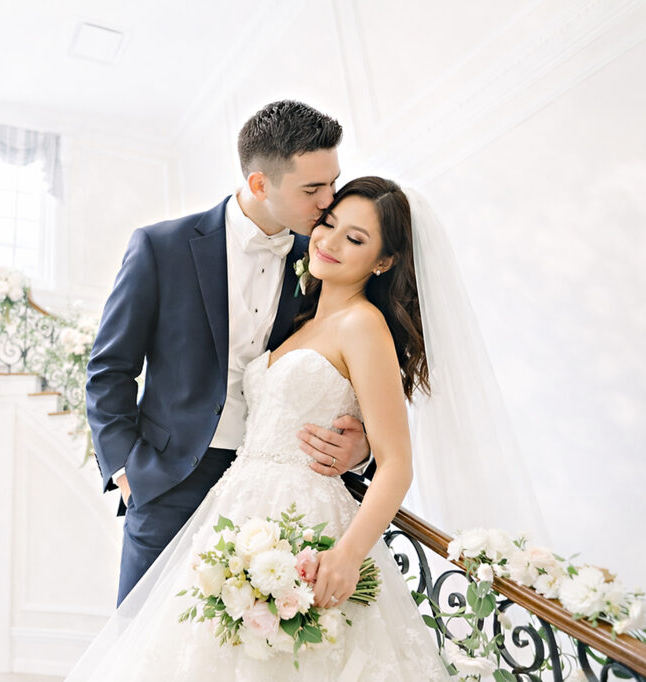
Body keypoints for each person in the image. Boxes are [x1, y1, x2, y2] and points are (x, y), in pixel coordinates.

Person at [68, 177, 451, 679]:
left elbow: (396, 462)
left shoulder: (363, 324)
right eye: (329, 223)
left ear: (384, 261)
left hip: (303, 516)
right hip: (229, 505)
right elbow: (111, 369)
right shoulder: (305, 315)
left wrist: (348, 552)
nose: (329, 241)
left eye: (355, 239)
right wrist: (124, 468)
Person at [86, 101, 372, 605]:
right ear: (261, 184)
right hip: (169, 480)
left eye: (333, 183)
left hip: (281, 489)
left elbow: (356, 363)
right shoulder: (162, 247)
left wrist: (364, 447)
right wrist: (129, 472)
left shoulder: (325, 258)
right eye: (313, 189)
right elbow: (110, 369)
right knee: (142, 642)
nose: (330, 202)